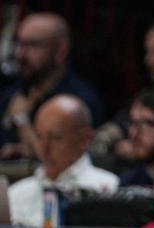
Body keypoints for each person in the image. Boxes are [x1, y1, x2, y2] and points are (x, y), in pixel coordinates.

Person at [0, 13, 104, 158]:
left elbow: (66, 156)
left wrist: (21, 120)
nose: (20, 54)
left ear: (61, 51)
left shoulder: (78, 100)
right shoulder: (11, 94)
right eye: (19, 43)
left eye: (32, 45)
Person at [8, 94, 117, 227]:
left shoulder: (109, 191)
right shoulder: (15, 196)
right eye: (39, 137)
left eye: (56, 138)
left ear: (85, 139)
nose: (44, 148)